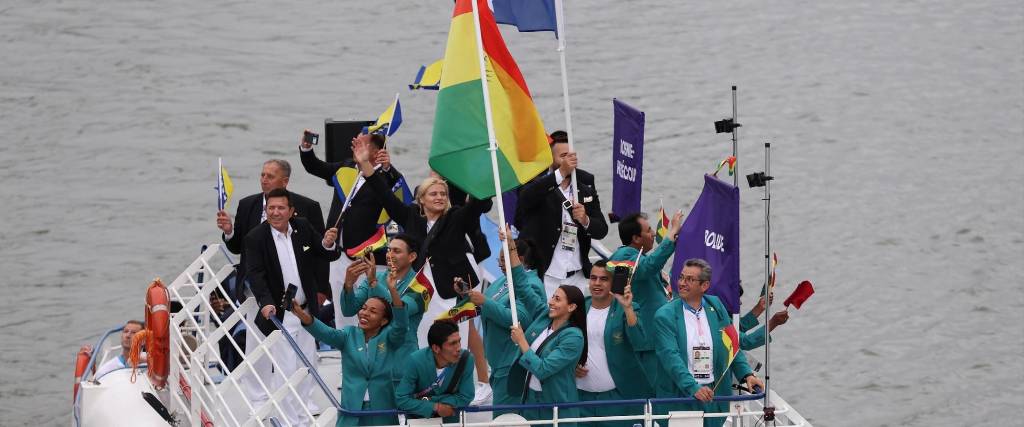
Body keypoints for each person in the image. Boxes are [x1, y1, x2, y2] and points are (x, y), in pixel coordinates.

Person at [351, 136, 492, 316]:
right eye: (433, 194)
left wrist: (484, 172)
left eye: (443, 194)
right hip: (418, 293)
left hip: (450, 293)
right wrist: (364, 163)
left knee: (454, 341)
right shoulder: (410, 217)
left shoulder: (456, 217)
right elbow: (384, 194)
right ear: (422, 199)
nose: (440, 197)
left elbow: (477, 205)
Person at [241, 188, 341, 425]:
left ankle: (302, 414)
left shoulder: (303, 227)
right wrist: (265, 303)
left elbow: (326, 253)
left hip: (306, 311)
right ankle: (287, 421)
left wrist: (327, 243)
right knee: (285, 368)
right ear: (266, 210)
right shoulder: (255, 238)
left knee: (307, 363)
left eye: (281, 208)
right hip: (280, 313)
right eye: (271, 208)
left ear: (291, 211)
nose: (275, 212)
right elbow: (255, 274)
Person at [298, 132, 405, 326]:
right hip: (338, 255)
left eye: (361, 143)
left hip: (370, 257)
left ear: (375, 151)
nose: (354, 143)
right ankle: (345, 350)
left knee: (373, 310)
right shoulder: (346, 166)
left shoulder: (385, 176)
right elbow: (315, 166)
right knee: (342, 310)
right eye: (354, 140)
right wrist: (306, 148)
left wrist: (388, 168)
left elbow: (400, 194)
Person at [653, 259, 763, 427]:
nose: (682, 283)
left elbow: (731, 345)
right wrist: (694, 388)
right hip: (681, 399)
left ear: (704, 286)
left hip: (714, 397)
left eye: (689, 279)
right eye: (681, 277)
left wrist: (746, 374)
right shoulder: (665, 316)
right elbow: (670, 358)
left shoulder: (716, 305)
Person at [216, 159, 326, 303]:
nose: (264, 180)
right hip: (252, 289)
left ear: (285, 181)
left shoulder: (308, 207)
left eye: (270, 176)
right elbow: (237, 248)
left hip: (296, 289)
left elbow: (321, 252)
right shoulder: (247, 205)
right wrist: (229, 232)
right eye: (262, 175)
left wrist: (322, 289)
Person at [516, 132, 608, 298]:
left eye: (571, 156)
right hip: (546, 275)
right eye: (563, 156)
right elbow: (525, 200)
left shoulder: (584, 189)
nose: (568, 160)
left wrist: (585, 220)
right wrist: (560, 173)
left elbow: (601, 229)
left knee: (576, 322)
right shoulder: (537, 185)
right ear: (551, 159)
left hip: (577, 275)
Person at [293, 294, 407, 427]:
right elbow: (325, 333)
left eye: (373, 311)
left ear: (383, 321)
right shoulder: (348, 334)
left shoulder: (389, 338)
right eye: (364, 308)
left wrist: (393, 290)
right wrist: (302, 315)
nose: (365, 313)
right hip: (351, 412)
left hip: (382, 412)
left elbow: (401, 326)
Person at [466, 232, 542, 416]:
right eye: (499, 259)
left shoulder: (531, 284)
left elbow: (521, 319)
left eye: (503, 259)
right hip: (498, 363)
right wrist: (466, 294)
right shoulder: (502, 280)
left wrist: (485, 301)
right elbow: (486, 307)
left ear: (519, 259)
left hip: (512, 363)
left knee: (505, 419)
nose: (499, 264)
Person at [339, 233, 426, 380]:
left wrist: (373, 284)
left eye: (396, 251)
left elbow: (399, 312)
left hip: (403, 367)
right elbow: (349, 310)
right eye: (388, 250)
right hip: (373, 367)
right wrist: (348, 285)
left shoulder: (421, 285)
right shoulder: (376, 276)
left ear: (412, 257)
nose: (389, 255)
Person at [608, 211, 682, 383]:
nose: (654, 234)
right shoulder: (622, 257)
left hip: (655, 338)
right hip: (644, 340)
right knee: (654, 391)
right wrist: (671, 235)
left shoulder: (637, 256)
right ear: (636, 238)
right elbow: (646, 268)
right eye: (649, 231)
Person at [575, 261, 651, 427]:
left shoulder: (626, 308)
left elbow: (640, 342)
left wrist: (628, 308)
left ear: (614, 282)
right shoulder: (579, 308)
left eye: (604, 279)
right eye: (593, 278)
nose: (597, 283)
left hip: (617, 399)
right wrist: (572, 364)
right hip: (580, 398)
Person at [509, 285, 587, 427]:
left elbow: (543, 370)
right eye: (552, 297)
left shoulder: (574, 336)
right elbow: (526, 291)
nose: (550, 302)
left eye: (557, 299)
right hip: (530, 400)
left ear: (571, 307)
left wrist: (522, 341)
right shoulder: (544, 321)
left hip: (557, 407)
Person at [395, 321, 475, 423]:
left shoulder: (466, 359)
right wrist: (435, 407)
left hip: (450, 421)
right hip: (419, 421)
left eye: (459, 341)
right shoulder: (415, 361)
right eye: (452, 343)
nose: (459, 348)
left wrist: (427, 401)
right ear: (436, 348)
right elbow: (401, 399)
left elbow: (466, 397)